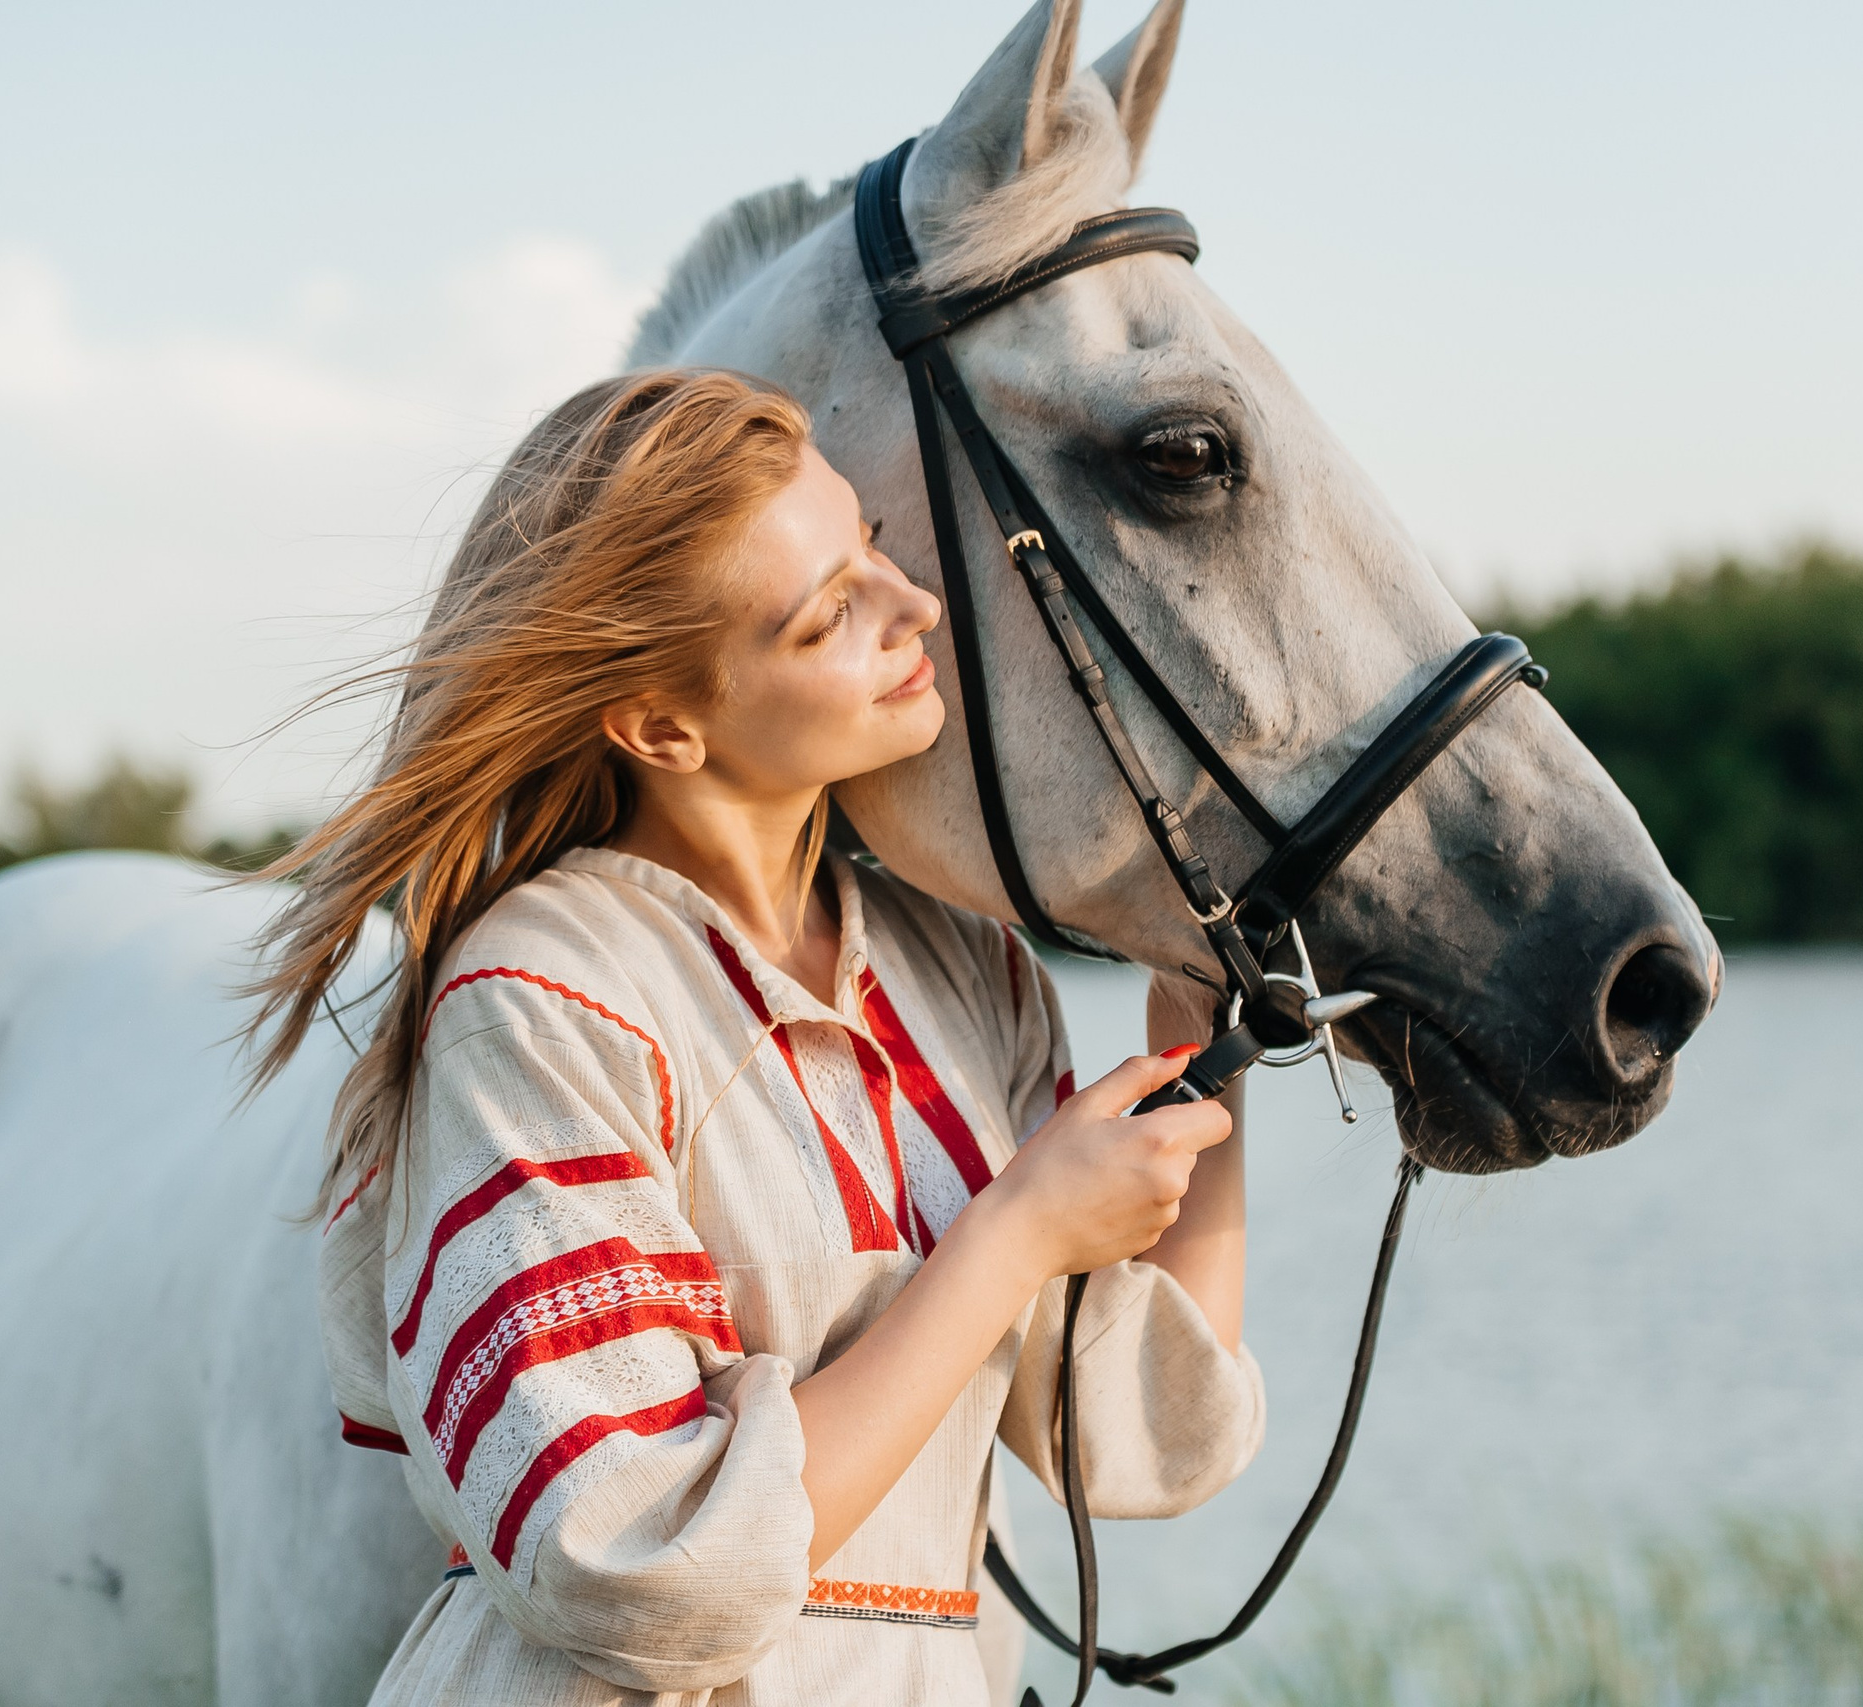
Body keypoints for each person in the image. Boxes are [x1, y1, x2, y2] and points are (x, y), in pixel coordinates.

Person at [247, 369, 1264, 1706]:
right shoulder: (538, 997)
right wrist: (1015, 1231)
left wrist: (1202, 1038)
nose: (915, 610)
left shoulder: (959, 967)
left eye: (876, 552)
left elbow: (1128, 1436)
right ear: (661, 723)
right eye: (828, 615)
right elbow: (641, 1564)